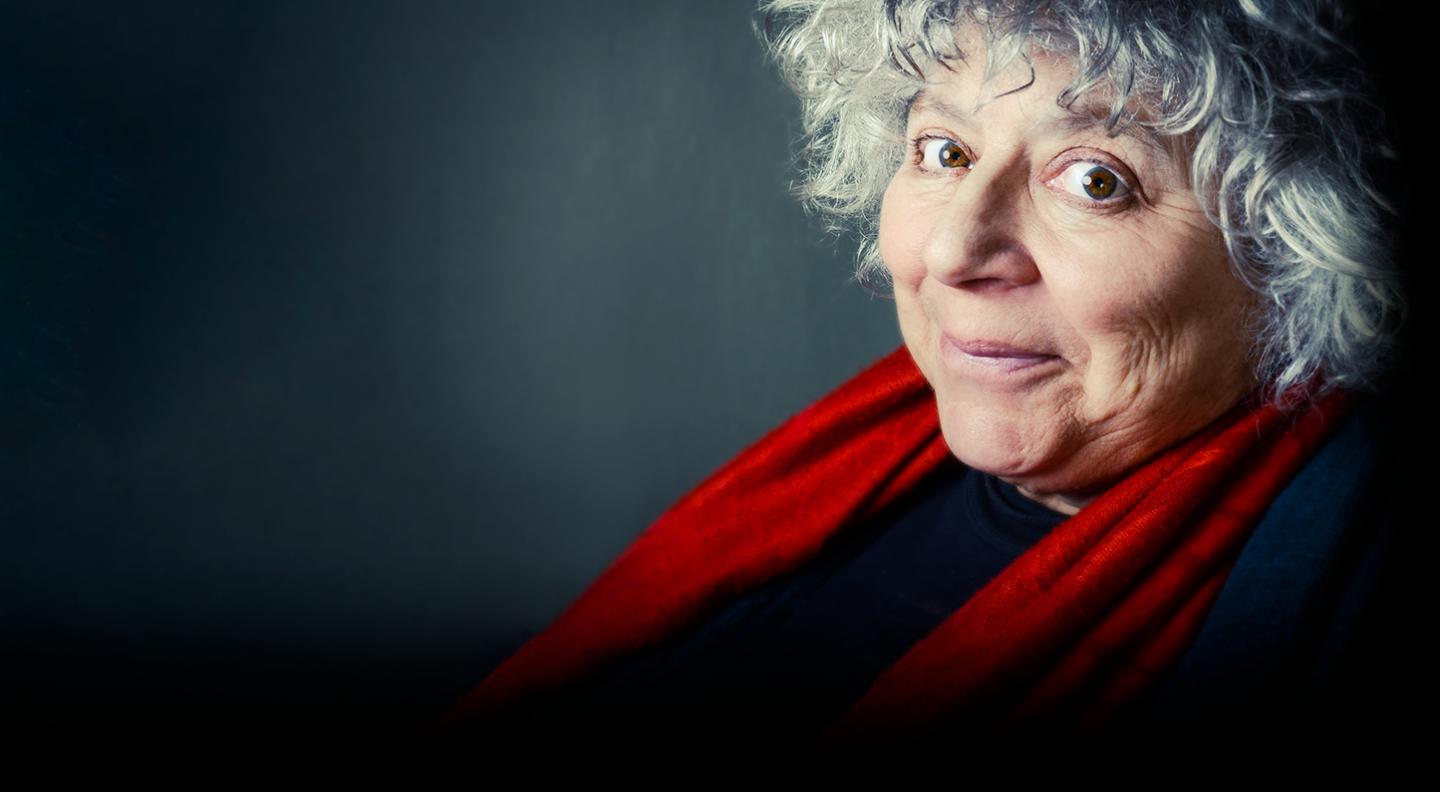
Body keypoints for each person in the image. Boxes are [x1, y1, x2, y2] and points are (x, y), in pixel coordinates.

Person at [433, 0, 1410, 756]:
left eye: (1096, 179)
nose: (954, 247)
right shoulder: (849, 467)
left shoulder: (1336, 593)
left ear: (1294, 251)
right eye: (944, 151)